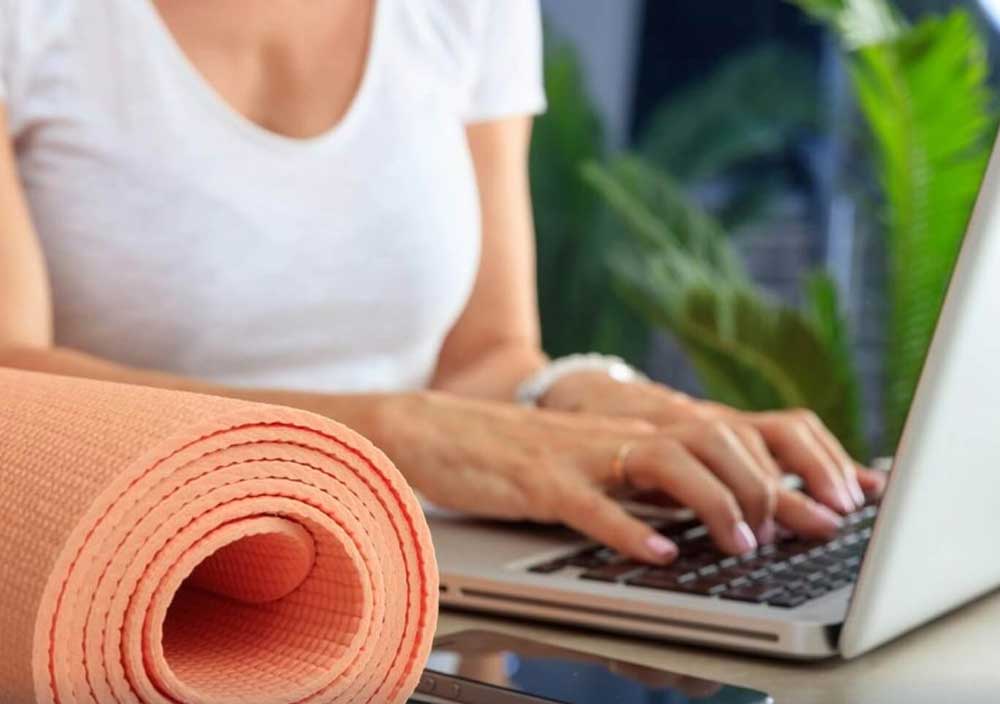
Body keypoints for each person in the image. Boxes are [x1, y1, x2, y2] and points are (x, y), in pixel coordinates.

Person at [0, 0, 883, 565]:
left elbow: (485, 356)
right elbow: (13, 378)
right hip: (134, 582)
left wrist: (596, 397)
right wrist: (392, 432)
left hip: (431, 581)